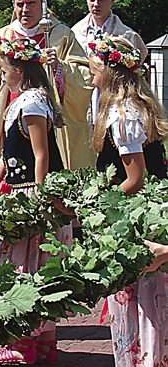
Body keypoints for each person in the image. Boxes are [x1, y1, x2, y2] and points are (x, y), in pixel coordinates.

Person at [0, 37, 68, 365]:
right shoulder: (20, 101)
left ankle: (25, 344)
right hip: (20, 190)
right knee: (27, 266)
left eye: (5, 71)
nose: (2, 77)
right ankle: (45, 343)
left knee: (27, 268)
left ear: (19, 70)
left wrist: (38, 197)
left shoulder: (33, 102)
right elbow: (8, 155)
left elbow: (40, 153)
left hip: (31, 193)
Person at [88, 35, 168, 366]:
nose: (90, 72)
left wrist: (95, 203)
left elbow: (135, 179)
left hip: (136, 216)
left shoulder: (123, 115)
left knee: (140, 304)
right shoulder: (131, 109)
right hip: (143, 209)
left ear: (110, 70)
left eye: (95, 66)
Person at [0, 0, 94, 171]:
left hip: (51, 124)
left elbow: (86, 76)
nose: (25, 9)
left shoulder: (60, 36)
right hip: (11, 119)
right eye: (20, 4)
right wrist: (4, 66)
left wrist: (60, 68)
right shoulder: (1, 38)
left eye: (31, 3)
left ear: (42, 4)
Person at [72, 0, 147, 61]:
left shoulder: (127, 35)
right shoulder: (74, 33)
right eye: (92, 0)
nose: (96, 4)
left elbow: (138, 63)